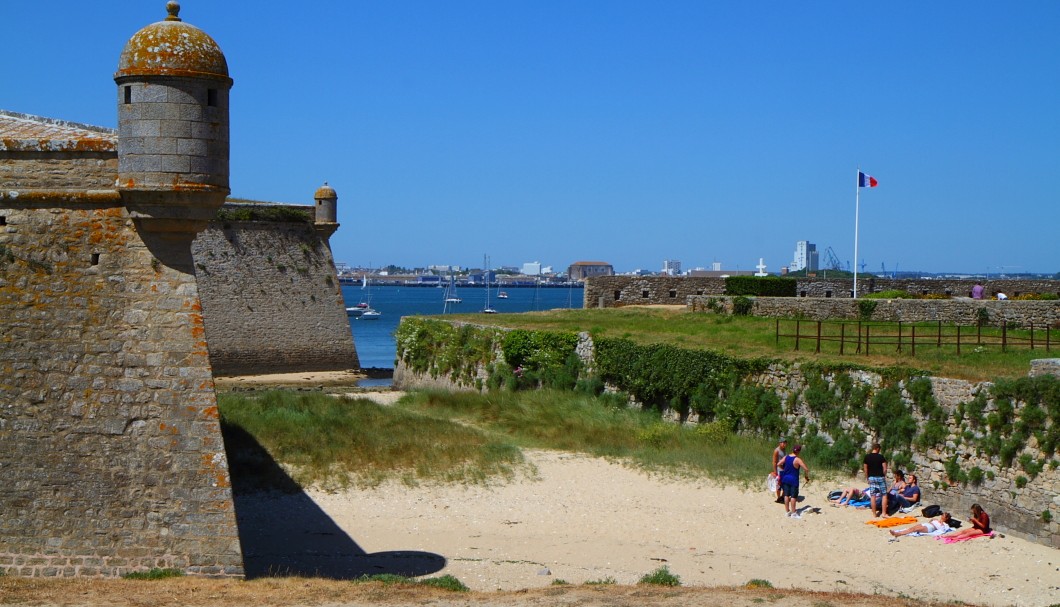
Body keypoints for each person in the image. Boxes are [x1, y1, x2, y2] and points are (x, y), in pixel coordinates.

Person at [780, 444, 810, 518]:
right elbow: (806, 469)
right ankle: (793, 512)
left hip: (785, 478)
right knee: (793, 496)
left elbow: (778, 464)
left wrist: (783, 469)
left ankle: (787, 511)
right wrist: (806, 476)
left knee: (786, 495)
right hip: (793, 480)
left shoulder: (786, 457)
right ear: (799, 451)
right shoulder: (797, 459)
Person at [863, 443, 888, 517]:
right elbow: (885, 468)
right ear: (877, 449)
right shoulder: (881, 457)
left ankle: (874, 514)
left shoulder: (867, 457)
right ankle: (883, 513)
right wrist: (884, 475)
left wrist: (867, 478)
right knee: (884, 495)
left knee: (873, 495)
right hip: (880, 477)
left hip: (871, 477)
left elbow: (865, 469)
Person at [770, 437, 788, 504]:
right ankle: (778, 497)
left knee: (785, 483)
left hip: (784, 469)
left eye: (785, 443)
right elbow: (774, 462)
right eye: (782, 442)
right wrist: (775, 472)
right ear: (779, 443)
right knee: (779, 484)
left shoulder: (784, 450)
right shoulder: (776, 450)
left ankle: (782, 497)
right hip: (779, 469)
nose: (784, 444)